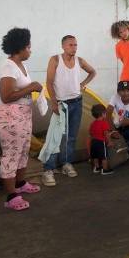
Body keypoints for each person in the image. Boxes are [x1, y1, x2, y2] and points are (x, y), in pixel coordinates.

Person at [0, 28, 42, 211]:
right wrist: (31, 88)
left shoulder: (22, 66)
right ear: (20, 47)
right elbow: (6, 96)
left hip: (23, 115)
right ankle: (11, 195)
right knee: (12, 154)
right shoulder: (8, 67)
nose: (30, 50)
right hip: (10, 117)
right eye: (29, 46)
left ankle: (20, 184)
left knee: (23, 151)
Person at [42, 35, 96, 187]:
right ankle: (48, 169)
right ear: (63, 46)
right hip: (61, 104)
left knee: (71, 136)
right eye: (71, 45)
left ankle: (66, 164)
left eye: (76, 45)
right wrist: (53, 101)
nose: (74, 47)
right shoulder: (55, 60)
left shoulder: (80, 61)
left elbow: (93, 72)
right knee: (56, 137)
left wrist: (83, 84)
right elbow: (49, 82)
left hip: (77, 102)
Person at [89, 104, 115, 175]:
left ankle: (97, 168)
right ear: (103, 114)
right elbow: (106, 133)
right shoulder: (104, 123)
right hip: (101, 142)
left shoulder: (92, 123)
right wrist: (109, 141)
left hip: (93, 142)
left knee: (95, 156)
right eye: (105, 113)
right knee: (104, 156)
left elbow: (91, 133)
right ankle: (105, 169)